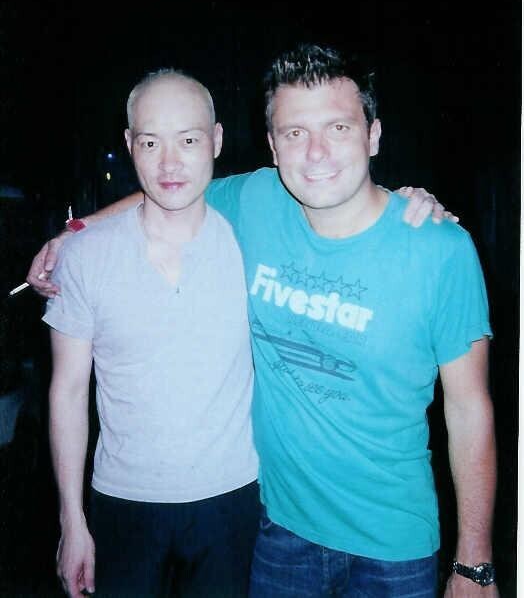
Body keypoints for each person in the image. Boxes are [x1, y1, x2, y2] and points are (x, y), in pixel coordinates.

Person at [28, 45, 492, 597]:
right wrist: (71, 236)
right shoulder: (255, 200)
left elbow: (469, 409)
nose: (316, 152)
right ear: (273, 146)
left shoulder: (439, 248)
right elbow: (168, 188)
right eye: (294, 133)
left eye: (338, 128)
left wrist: (474, 562)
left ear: (373, 135)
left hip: (394, 546)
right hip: (279, 534)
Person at [42, 70, 260, 598]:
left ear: (217, 140)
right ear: (128, 144)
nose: (169, 163)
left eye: (188, 140)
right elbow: (68, 391)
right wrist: (72, 520)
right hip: (122, 502)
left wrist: (417, 202)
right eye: (150, 142)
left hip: (233, 500)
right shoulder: (84, 256)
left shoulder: (252, 241)